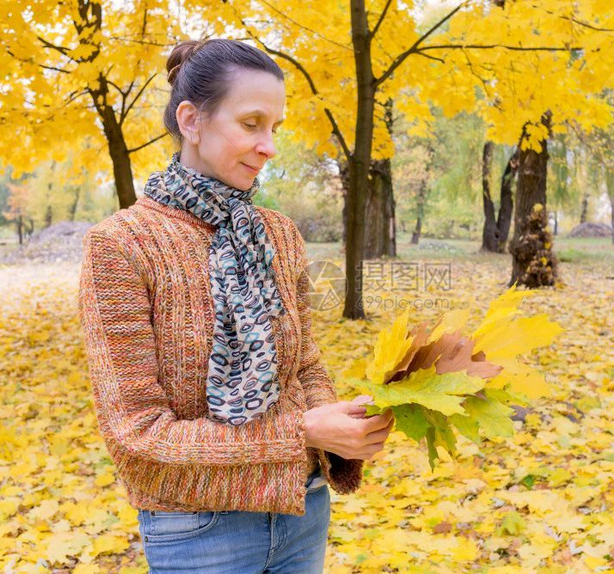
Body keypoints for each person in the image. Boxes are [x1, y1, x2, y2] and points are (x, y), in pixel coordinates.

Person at [78, 38, 394, 573]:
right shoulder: (122, 245)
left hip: (302, 506)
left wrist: (346, 427)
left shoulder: (279, 234)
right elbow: (136, 431)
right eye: (251, 124)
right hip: (198, 528)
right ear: (191, 120)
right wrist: (303, 431)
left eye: (275, 128)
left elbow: (305, 362)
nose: (269, 146)